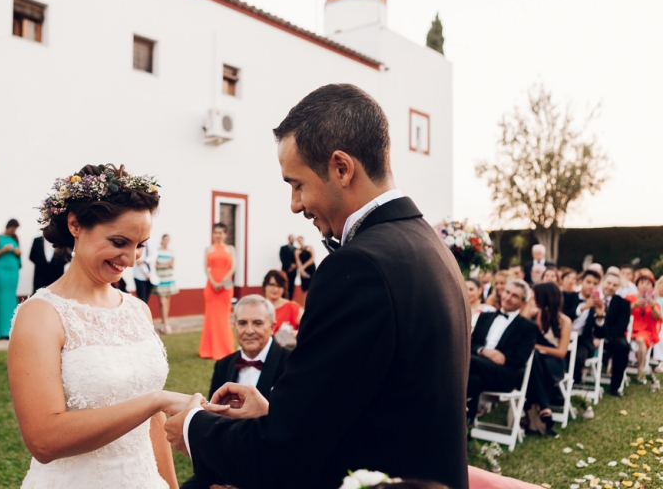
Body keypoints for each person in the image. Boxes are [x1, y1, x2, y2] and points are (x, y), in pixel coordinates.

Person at [166, 83, 470, 488]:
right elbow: (373, 399)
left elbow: (284, 456)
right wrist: (278, 412)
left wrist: (193, 427)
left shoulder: (359, 266)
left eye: (297, 184)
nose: (294, 204)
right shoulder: (429, 244)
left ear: (341, 168)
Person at [8, 163, 211, 488]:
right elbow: (44, 441)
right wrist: (154, 400)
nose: (131, 259)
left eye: (141, 244)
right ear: (75, 224)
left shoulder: (138, 310)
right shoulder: (41, 315)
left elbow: (153, 426)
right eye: (119, 242)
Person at [181, 295, 291, 489]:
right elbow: (213, 419)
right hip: (225, 462)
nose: (249, 330)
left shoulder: (291, 365)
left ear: (272, 326)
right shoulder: (224, 365)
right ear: (234, 325)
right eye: (242, 323)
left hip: (269, 470)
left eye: (257, 323)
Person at [468, 280, 538, 424]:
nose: (508, 297)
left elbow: (520, 359)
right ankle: (466, 428)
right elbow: (472, 344)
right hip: (477, 366)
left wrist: (501, 357)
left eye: (515, 296)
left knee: (464, 360)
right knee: (473, 380)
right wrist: (484, 351)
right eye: (507, 292)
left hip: (504, 374)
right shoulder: (485, 317)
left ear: (523, 303)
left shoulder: (527, 327)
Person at [524, 283, 572, 434]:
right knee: (534, 359)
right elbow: (519, 325)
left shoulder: (564, 321)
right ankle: (544, 406)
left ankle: (537, 407)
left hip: (554, 364)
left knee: (534, 357)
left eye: (535, 296)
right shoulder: (534, 314)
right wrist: (528, 305)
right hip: (536, 363)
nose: (533, 298)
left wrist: (537, 348)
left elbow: (561, 352)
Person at [200, 223, 236, 360]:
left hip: (226, 285)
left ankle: (225, 349)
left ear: (225, 234)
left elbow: (233, 267)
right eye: (216, 232)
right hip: (211, 286)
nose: (218, 235)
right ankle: (208, 350)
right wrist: (214, 282)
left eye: (221, 232)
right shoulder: (208, 249)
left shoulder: (231, 249)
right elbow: (206, 268)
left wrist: (222, 281)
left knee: (224, 317)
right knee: (211, 317)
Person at [562, 269, 603, 385]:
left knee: (578, 356)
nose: (591, 286)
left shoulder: (599, 304)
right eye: (588, 282)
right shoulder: (568, 296)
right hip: (563, 336)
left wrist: (600, 317)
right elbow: (562, 316)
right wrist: (584, 307)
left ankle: (573, 384)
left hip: (583, 340)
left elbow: (601, 334)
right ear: (581, 281)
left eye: (595, 284)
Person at [593, 272, 631, 396]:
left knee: (623, 347)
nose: (610, 287)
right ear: (603, 281)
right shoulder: (593, 298)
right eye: (609, 283)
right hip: (591, 335)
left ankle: (615, 386)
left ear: (618, 287)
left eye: (614, 285)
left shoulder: (623, 303)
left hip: (612, 336)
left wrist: (604, 337)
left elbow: (621, 326)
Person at [0, 219, 22, 340]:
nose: (13, 231)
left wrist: (18, 252)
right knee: (2, 297)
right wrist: (3, 250)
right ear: (8, 227)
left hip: (13, 272)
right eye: (12, 228)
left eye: (15, 229)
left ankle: (11, 329)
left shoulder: (15, 239)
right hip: (1, 272)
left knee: (12, 297)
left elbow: (19, 256)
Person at [626, 269, 662, 383]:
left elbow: (658, 317)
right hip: (629, 329)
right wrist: (634, 305)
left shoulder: (654, 302)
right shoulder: (630, 298)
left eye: (648, 284)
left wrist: (652, 306)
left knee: (641, 340)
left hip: (645, 330)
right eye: (642, 283)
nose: (644, 286)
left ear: (652, 287)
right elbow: (621, 312)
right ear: (637, 285)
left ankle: (640, 369)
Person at [262, 269, 302, 335]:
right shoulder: (257, 307)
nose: (275, 289)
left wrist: (296, 333)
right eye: (272, 285)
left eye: (279, 286)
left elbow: (309, 328)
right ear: (265, 286)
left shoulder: (292, 308)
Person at [153, 234, 179, 335]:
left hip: (169, 278)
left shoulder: (171, 252)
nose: (166, 241)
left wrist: (165, 265)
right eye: (165, 239)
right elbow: (155, 264)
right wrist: (165, 265)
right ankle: (165, 323)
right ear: (162, 240)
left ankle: (164, 322)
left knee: (167, 301)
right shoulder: (157, 251)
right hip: (160, 278)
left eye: (168, 240)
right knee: (162, 302)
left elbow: (172, 266)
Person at [133, 242, 158, 306]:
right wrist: (146, 272)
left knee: (146, 300)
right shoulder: (138, 241)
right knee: (141, 300)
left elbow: (154, 256)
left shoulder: (152, 241)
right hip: (140, 276)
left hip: (150, 276)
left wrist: (145, 261)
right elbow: (138, 260)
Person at [279, 235, 297, 301]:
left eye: (293, 239)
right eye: (291, 239)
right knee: (284, 284)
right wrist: (290, 265)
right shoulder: (283, 248)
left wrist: (294, 266)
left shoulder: (296, 249)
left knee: (292, 285)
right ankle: (283, 299)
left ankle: (290, 300)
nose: (292, 240)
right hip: (286, 270)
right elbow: (282, 258)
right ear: (288, 239)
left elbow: (298, 259)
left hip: (294, 271)